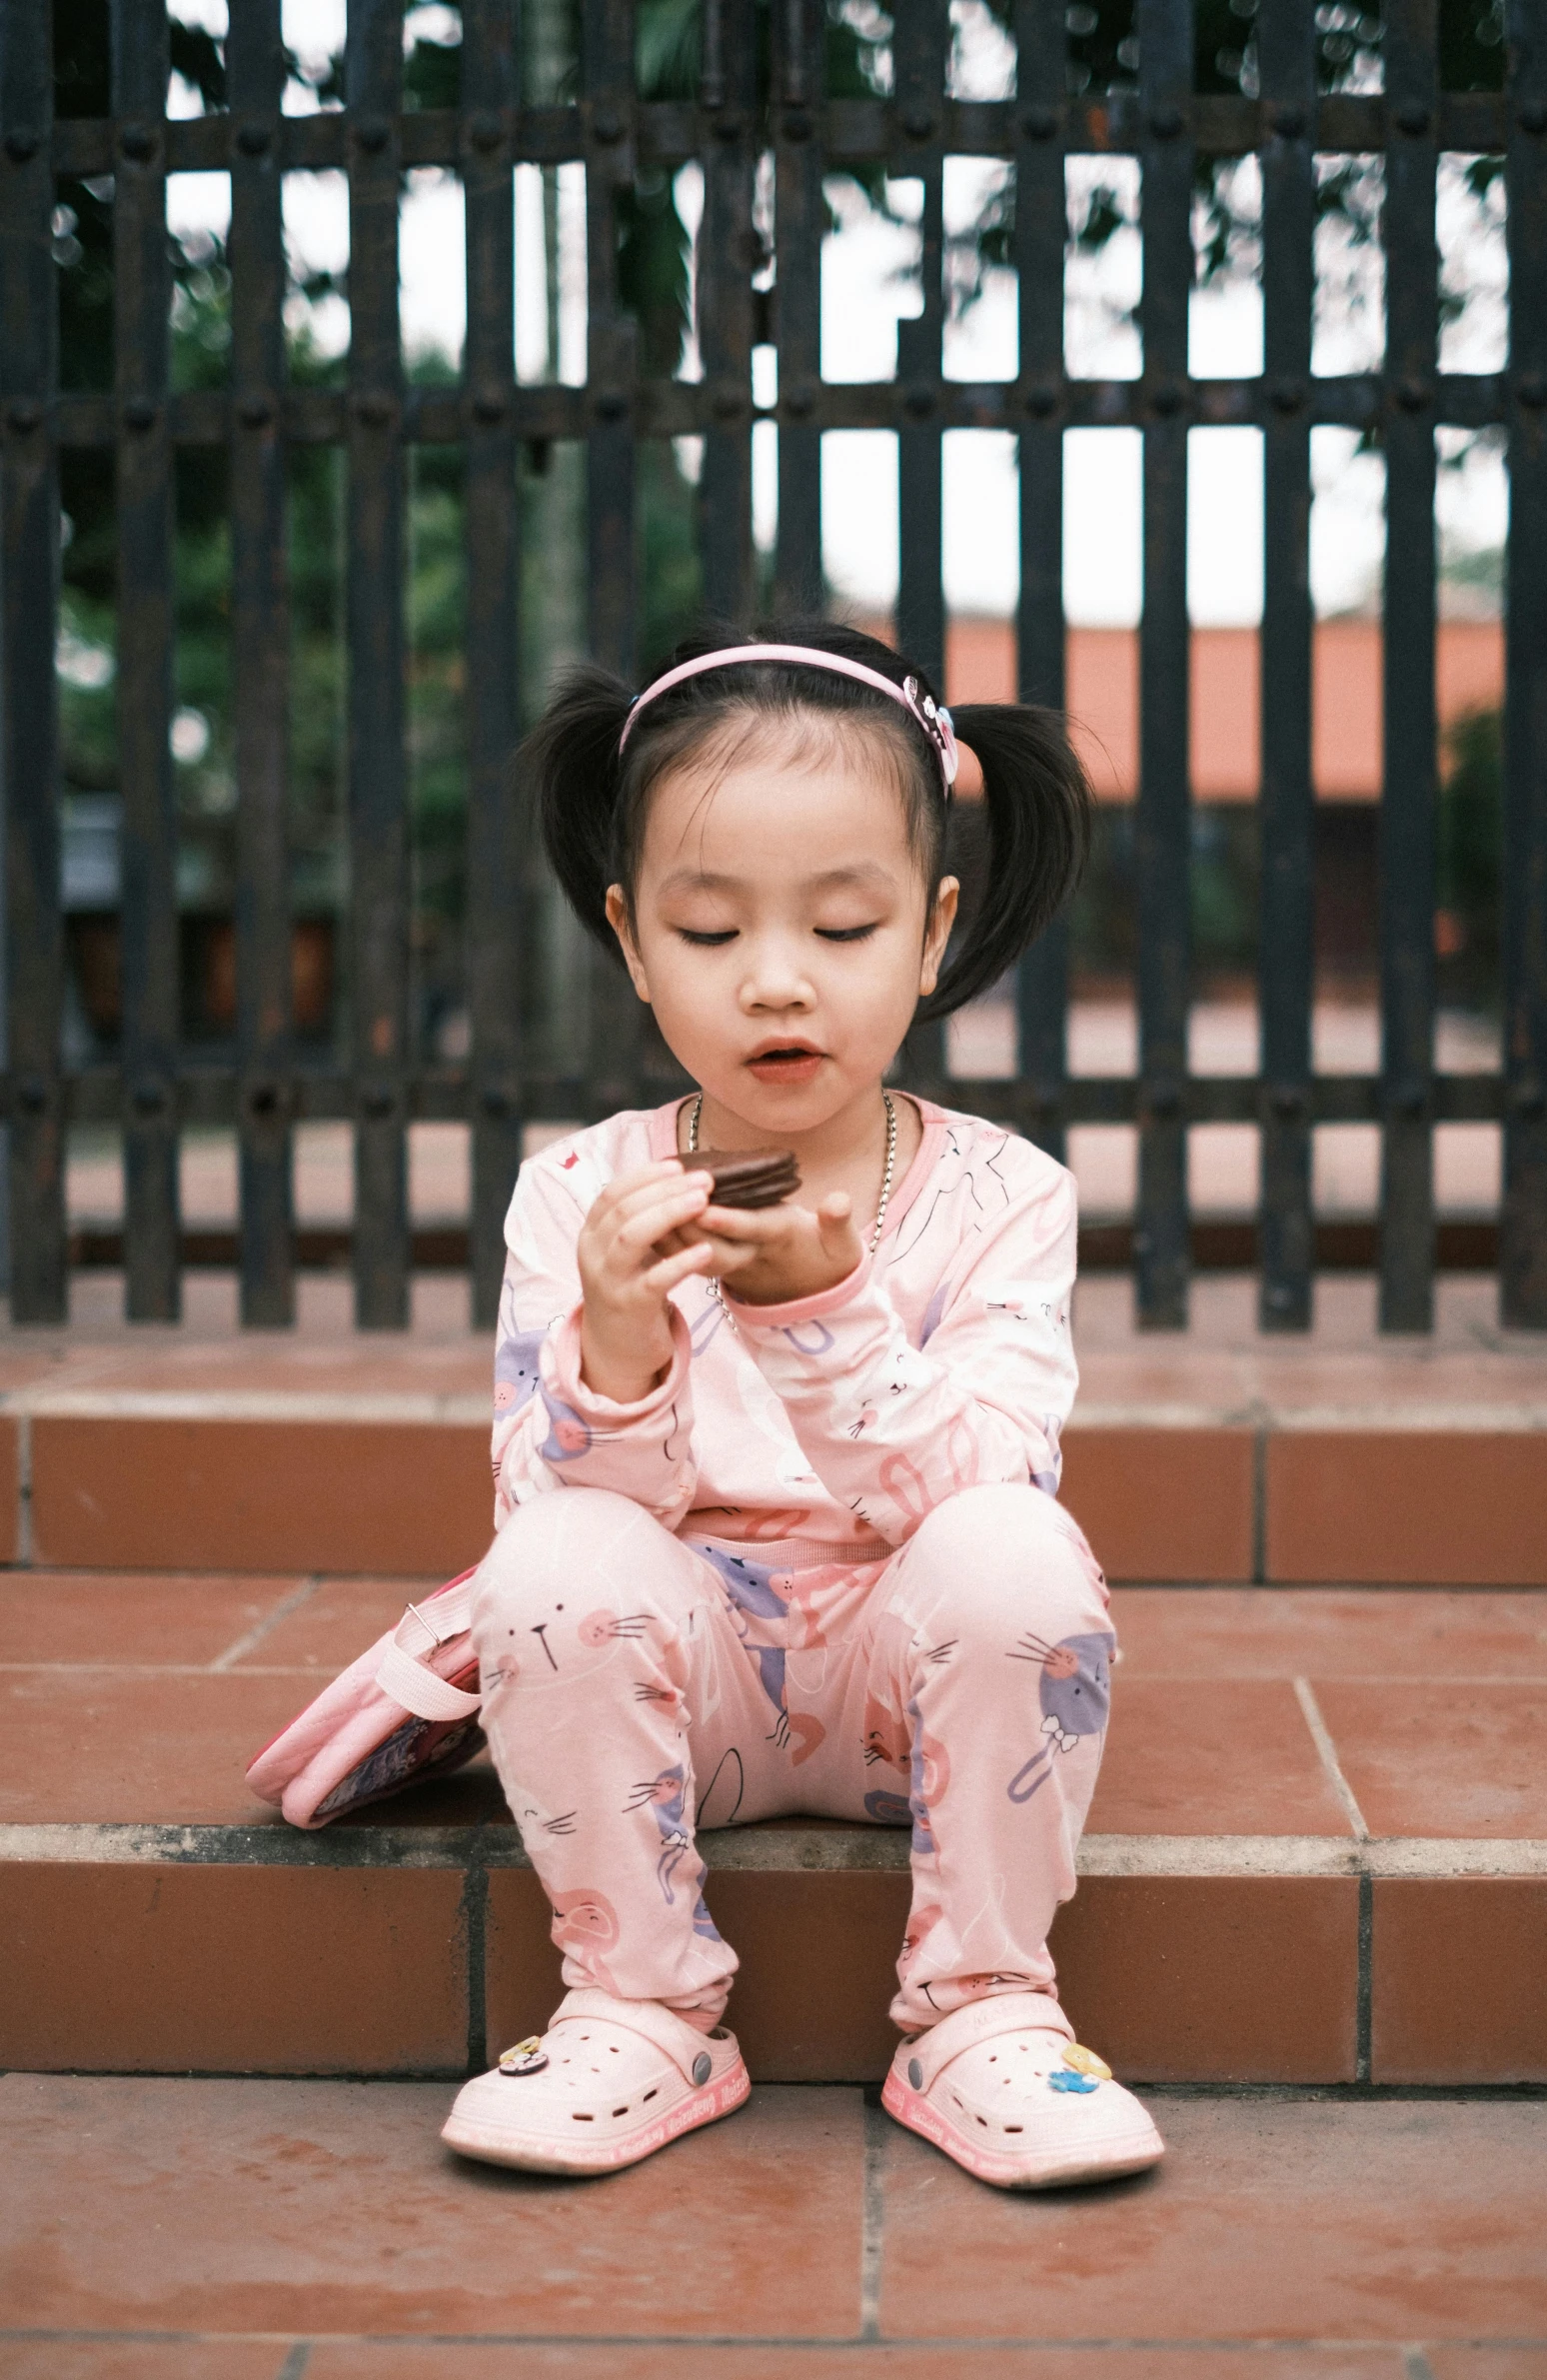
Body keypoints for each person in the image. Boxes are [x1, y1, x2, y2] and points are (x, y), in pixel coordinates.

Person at [441, 621, 1164, 2191]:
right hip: (685, 1708)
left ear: (931, 928)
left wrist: (814, 1317)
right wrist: (618, 1347)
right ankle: (640, 2003)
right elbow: (548, 1533)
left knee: (1020, 1555)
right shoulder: (581, 1194)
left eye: (844, 925)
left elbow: (986, 1486)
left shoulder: (1004, 1197)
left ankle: (981, 2004)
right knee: (554, 1563)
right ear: (631, 940)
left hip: (916, 1700)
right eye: (709, 932)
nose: (777, 980)